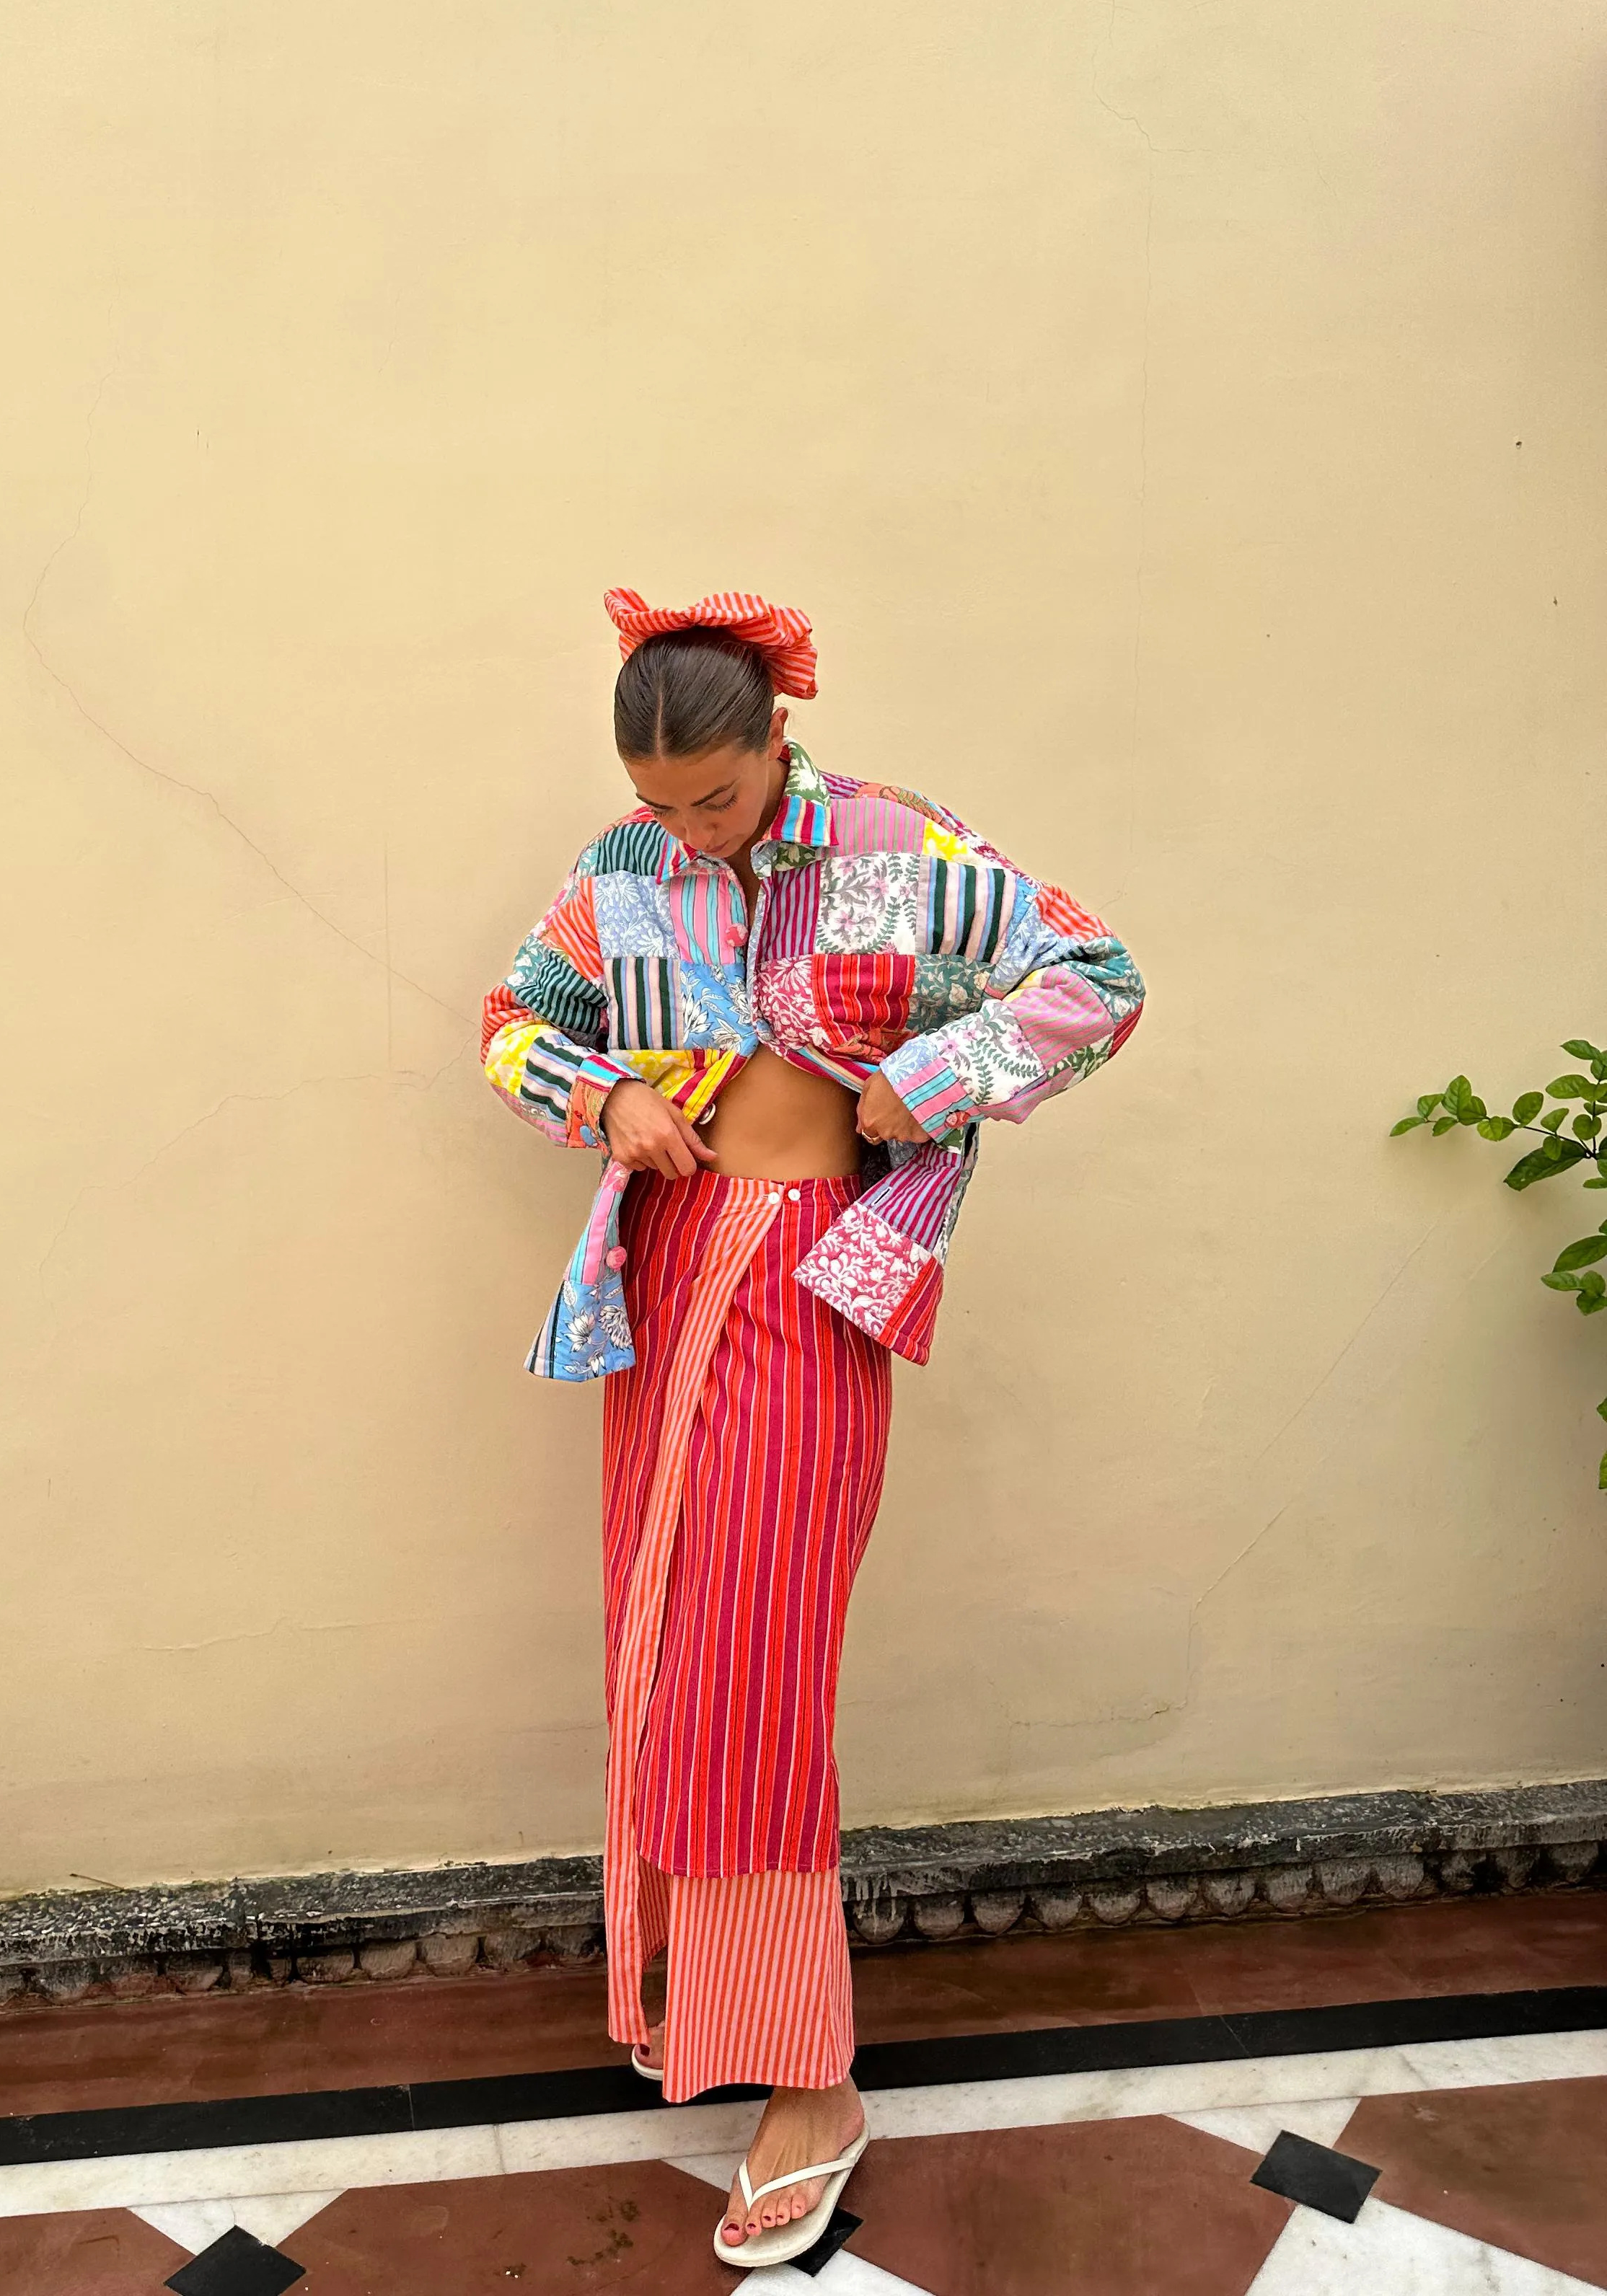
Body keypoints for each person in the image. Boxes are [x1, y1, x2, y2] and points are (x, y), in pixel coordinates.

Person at [481, 588, 1145, 2268]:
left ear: (779, 731)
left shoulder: (894, 843)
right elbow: (511, 1024)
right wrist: (606, 1099)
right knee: (662, 1637)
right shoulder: (619, 873)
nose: (691, 826)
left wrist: (927, 1084)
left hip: (816, 1273)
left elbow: (1096, 980)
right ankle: (702, 2000)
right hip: (661, 1277)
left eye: (715, 793)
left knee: (756, 1662)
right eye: (661, 802)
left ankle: (809, 2081)